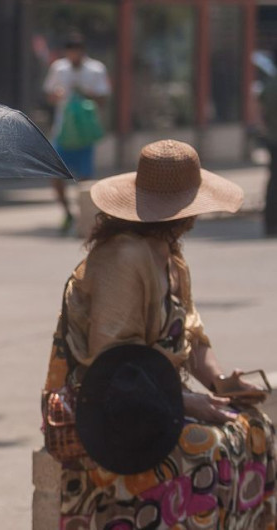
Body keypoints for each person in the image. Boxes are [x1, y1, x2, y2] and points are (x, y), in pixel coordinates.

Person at [42, 139, 276, 528]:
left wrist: (220, 382)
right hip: (110, 413)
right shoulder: (123, 257)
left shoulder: (169, 256)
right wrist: (188, 401)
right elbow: (117, 359)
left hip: (157, 402)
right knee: (212, 449)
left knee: (255, 429)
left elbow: (191, 334)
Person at [43, 31, 111, 234]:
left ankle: (85, 220)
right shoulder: (59, 68)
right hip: (62, 130)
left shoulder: (96, 70)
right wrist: (58, 96)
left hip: (84, 133)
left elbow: (103, 100)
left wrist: (85, 93)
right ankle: (67, 213)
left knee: (84, 181)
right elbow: (49, 96)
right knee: (56, 176)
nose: (74, 55)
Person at [258, 46, 277, 237]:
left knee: (273, 182)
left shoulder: (270, 84)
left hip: (272, 138)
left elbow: (262, 111)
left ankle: (270, 223)